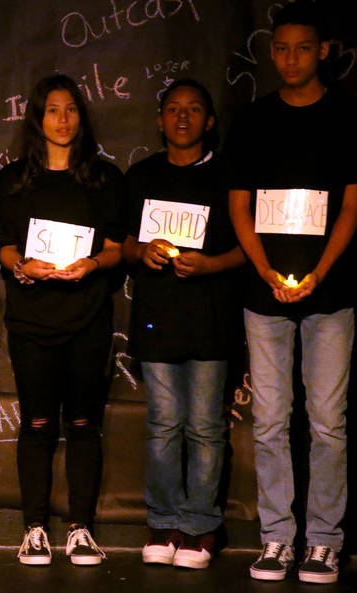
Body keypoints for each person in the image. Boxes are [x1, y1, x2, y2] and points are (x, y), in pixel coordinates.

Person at [226, 1, 357, 584]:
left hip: (331, 294)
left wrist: (319, 274)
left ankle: (324, 540)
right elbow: (239, 205)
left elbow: (352, 207)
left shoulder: (345, 115)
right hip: (266, 297)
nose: (290, 58)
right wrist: (268, 274)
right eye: (280, 49)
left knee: (328, 422)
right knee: (271, 421)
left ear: (323, 50)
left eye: (302, 48)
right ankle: (278, 538)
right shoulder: (254, 119)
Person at [0, 74, 125, 567]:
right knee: (37, 424)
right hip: (31, 320)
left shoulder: (104, 178)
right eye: (53, 110)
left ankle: (81, 528)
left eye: (71, 109)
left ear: (81, 117)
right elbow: (5, 245)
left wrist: (92, 263)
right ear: (37, 117)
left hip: (88, 317)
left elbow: (115, 248)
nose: (63, 119)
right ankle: (34, 528)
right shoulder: (13, 179)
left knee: (83, 424)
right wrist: (20, 266)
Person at [122, 79, 244, 569]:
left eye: (194, 109)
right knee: (163, 425)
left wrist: (210, 264)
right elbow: (124, 244)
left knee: (206, 428)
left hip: (211, 320)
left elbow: (249, 246)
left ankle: (200, 526)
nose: (183, 117)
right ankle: (164, 520)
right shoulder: (142, 175)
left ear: (209, 121)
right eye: (173, 109)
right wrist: (142, 251)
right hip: (157, 320)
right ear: (159, 120)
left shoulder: (226, 175)